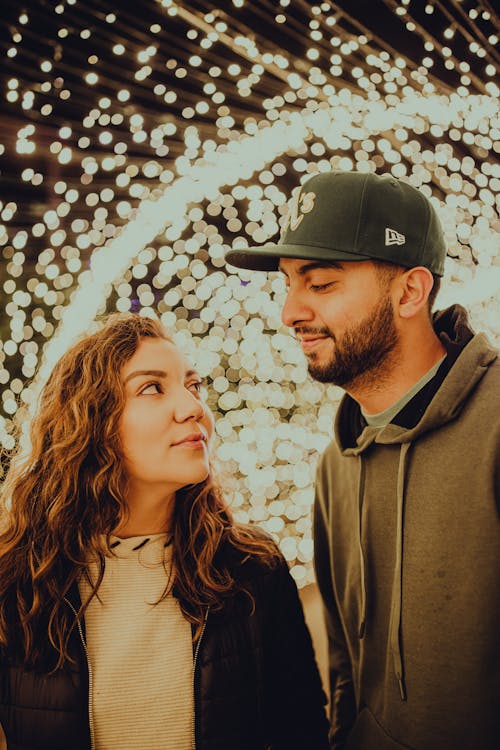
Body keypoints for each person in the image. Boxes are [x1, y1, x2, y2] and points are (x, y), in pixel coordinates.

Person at [225, 170, 500, 750]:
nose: (289, 313)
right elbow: (347, 665)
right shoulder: (335, 465)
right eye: (288, 284)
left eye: (320, 284)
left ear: (410, 292)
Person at [0, 313, 329, 750]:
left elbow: (302, 734)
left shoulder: (252, 570)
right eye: (152, 387)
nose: (195, 407)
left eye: (194, 386)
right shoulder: (19, 579)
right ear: (90, 421)